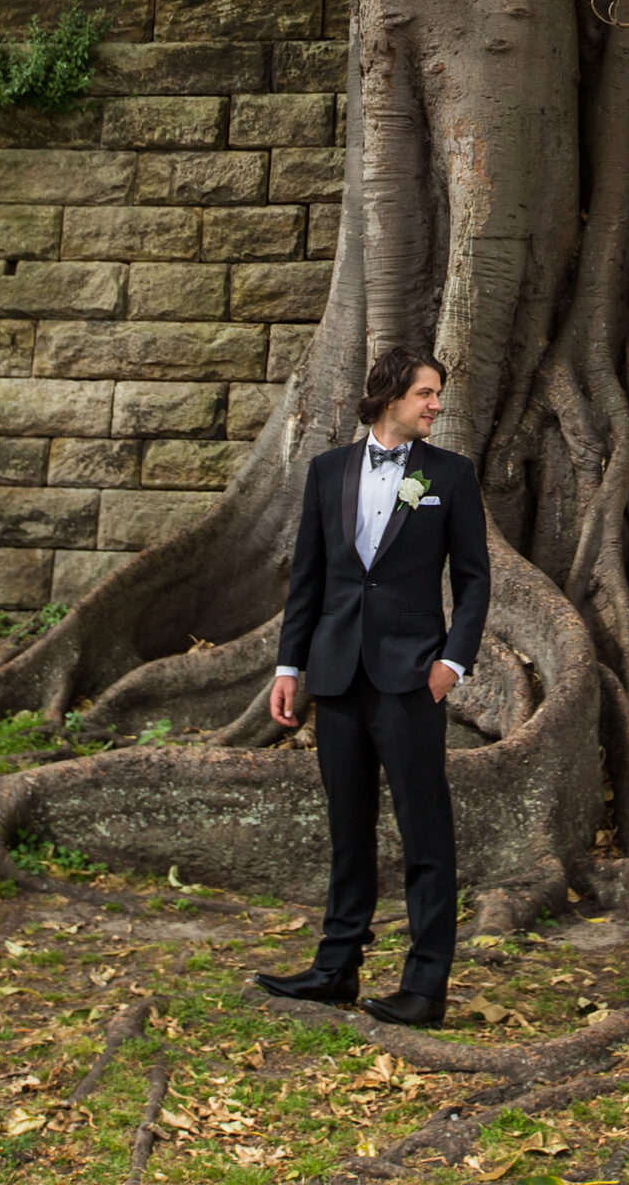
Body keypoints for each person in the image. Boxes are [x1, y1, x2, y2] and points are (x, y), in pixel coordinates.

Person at [255, 346, 490, 1029]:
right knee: (347, 826)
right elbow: (309, 576)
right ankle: (335, 967)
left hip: (412, 678)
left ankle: (424, 984)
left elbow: (473, 579)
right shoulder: (327, 472)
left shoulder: (451, 475)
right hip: (335, 675)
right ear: (390, 394)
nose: (435, 405)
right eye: (425, 393)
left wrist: (454, 663)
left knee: (425, 833)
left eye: (437, 394)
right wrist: (288, 667)